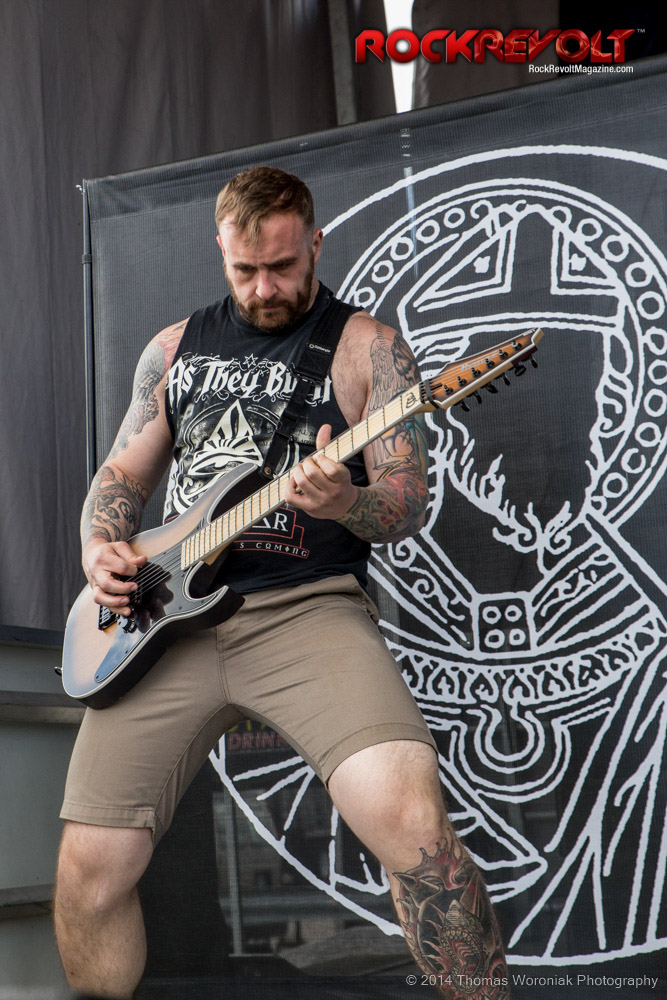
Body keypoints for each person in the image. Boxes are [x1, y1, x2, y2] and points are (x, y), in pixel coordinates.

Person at [54, 166, 510, 1000]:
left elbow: (405, 503)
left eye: (283, 267)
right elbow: (122, 472)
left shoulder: (370, 347)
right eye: (245, 270)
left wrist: (346, 502)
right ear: (220, 250)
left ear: (315, 245)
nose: (264, 288)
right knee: (89, 873)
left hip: (307, 610)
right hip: (162, 617)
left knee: (419, 838)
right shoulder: (172, 349)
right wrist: (99, 546)